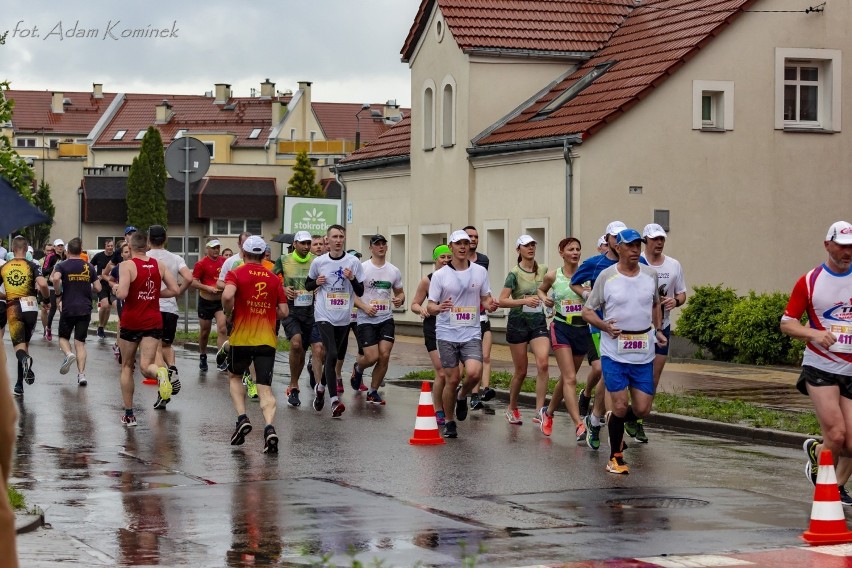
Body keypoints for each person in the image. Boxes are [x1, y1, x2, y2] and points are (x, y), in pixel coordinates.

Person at [582, 228, 666, 475]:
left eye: (638, 246)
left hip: (643, 351)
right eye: (630, 246)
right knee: (619, 406)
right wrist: (604, 325)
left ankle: (611, 422)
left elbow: (655, 304)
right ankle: (615, 457)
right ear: (617, 248)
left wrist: (658, 329)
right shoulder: (606, 277)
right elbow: (588, 311)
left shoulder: (650, 275)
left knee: (642, 409)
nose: (635, 250)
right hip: (614, 352)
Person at [781, 221, 852, 499]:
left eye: (851, 247)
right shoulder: (810, 280)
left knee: (850, 443)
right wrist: (814, 334)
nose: (847, 252)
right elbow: (787, 323)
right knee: (836, 435)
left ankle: (829, 474)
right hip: (820, 366)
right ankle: (827, 492)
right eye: (842, 246)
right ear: (827, 245)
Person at [427, 230, 500, 439]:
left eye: (466, 243)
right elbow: (430, 306)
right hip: (447, 333)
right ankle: (449, 421)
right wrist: (439, 307)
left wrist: (491, 305)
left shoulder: (479, 271)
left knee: (475, 373)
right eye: (458, 243)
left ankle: (462, 395)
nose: (462, 247)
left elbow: (485, 299)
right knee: (452, 378)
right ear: (450, 247)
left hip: (471, 332)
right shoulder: (440, 275)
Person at [222, 235, 288, 453]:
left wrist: (228, 311)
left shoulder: (236, 273)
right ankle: (269, 427)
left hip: (241, 337)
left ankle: (242, 418)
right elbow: (284, 312)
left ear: (243, 254)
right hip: (266, 339)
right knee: (264, 386)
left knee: (234, 376)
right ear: (263, 255)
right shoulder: (273, 278)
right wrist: (268, 313)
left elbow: (228, 294)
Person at [112, 231, 180, 426]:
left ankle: (129, 415)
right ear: (147, 246)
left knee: (127, 366)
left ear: (130, 247)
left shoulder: (126, 265)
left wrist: (116, 289)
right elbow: (175, 289)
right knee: (146, 366)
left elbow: (123, 293)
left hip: (132, 320)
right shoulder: (158, 265)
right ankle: (160, 372)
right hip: (153, 320)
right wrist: (156, 296)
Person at [629, 223, 687, 442]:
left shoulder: (673, 265)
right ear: (646, 241)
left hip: (663, 328)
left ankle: (639, 420)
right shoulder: (637, 263)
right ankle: (620, 412)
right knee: (632, 374)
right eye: (655, 239)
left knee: (653, 376)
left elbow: (682, 293)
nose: (659, 243)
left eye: (662, 239)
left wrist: (676, 301)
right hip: (638, 329)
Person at [573, 220, 626, 450]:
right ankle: (598, 421)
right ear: (608, 239)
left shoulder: (638, 263)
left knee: (618, 376)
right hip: (599, 327)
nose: (619, 241)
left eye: (622, 237)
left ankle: (597, 419)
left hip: (629, 331)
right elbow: (575, 283)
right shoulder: (596, 264)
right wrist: (587, 294)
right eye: (615, 237)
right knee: (605, 371)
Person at [305, 224, 365, 418]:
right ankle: (334, 401)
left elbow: (361, 291)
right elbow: (308, 285)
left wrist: (353, 278)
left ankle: (321, 387)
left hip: (343, 316)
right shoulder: (319, 262)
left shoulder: (353, 262)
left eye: (341, 237)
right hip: (323, 314)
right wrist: (316, 283)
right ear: (327, 240)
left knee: (335, 356)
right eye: (335, 237)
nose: (338, 240)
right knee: (330, 353)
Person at [537, 237, 590, 439]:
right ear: (562, 253)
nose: (575, 253)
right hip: (561, 327)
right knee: (570, 378)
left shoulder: (587, 275)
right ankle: (578, 424)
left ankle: (548, 413)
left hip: (582, 330)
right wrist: (545, 299)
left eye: (578, 249)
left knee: (567, 378)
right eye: (570, 249)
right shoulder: (554, 276)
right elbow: (541, 289)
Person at [500, 235, 550, 426]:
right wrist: (524, 301)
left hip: (538, 322)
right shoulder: (514, 273)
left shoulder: (543, 270)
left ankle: (539, 411)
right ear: (518, 250)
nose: (530, 248)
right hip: (517, 323)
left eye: (533, 245)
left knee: (543, 363)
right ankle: (511, 407)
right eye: (526, 245)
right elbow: (503, 299)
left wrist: (547, 300)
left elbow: (545, 290)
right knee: (521, 370)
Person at [351, 235, 405, 405]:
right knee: (372, 356)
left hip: (386, 318)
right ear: (370, 248)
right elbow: (351, 295)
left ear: (386, 248)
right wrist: (365, 307)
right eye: (377, 244)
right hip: (366, 319)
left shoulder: (393, 270)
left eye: (383, 244)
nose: (381, 247)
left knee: (385, 355)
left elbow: (400, 293)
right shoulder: (362, 268)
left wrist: (399, 300)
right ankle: (358, 368)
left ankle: (373, 391)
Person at [146, 225, 194, 408]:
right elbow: (189, 278)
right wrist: (177, 291)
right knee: (166, 344)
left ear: (149, 240)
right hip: (171, 309)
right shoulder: (176, 258)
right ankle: (172, 367)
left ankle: (163, 388)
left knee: (155, 349)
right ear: (165, 239)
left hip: (152, 308)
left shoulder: (146, 258)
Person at [273, 230, 320, 408]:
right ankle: (294, 386)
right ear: (295, 244)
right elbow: (274, 280)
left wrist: (317, 288)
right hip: (290, 309)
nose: (307, 246)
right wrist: (283, 289)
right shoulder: (283, 260)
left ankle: (295, 381)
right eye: (303, 243)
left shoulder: (316, 261)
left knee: (302, 350)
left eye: (309, 243)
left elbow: (322, 281)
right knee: (295, 343)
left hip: (311, 310)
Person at [1, 236, 50, 396]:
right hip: (30, 306)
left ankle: (20, 377)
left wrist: (5, 296)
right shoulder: (33, 265)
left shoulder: (5, 266)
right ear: (26, 248)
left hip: (13, 307)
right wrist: (47, 299)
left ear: (13, 249)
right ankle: (19, 384)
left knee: (19, 348)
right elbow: (43, 284)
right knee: (25, 345)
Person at [410, 244, 452, 423]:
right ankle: (438, 409)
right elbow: (414, 304)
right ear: (435, 259)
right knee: (441, 371)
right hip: (433, 327)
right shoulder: (428, 280)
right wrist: (421, 309)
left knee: (452, 372)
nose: (446, 261)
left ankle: (449, 402)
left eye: (449, 258)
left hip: (453, 327)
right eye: (442, 257)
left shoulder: (457, 278)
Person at [52, 238, 102, 386]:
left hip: (68, 307)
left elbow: (55, 279)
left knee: (63, 338)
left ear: (67, 251)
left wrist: (58, 293)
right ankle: (81, 375)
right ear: (81, 250)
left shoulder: (62, 265)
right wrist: (87, 285)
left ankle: (68, 354)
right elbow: (98, 288)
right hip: (85, 308)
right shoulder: (89, 267)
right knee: (80, 343)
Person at [463, 225, 496, 409]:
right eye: (470, 236)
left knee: (485, 356)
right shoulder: (455, 263)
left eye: (476, 236)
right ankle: (460, 390)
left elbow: (484, 288)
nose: (473, 239)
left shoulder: (483, 261)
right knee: (465, 362)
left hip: (482, 316)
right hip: (462, 319)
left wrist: (489, 302)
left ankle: (481, 391)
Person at [192, 239, 227, 372]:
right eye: (213, 248)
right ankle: (202, 355)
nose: (216, 250)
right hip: (205, 301)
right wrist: (207, 288)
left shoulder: (224, 261)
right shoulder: (201, 264)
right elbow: (193, 282)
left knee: (222, 329)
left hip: (220, 302)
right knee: (205, 332)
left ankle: (221, 359)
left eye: (218, 247)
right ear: (207, 248)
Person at [42, 238, 66, 340]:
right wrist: (54, 267)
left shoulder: (65, 256)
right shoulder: (50, 257)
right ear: (55, 247)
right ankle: (49, 329)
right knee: (52, 308)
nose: (60, 247)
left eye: (62, 246)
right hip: (51, 285)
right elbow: (44, 271)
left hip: (63, 285)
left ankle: (62, 330)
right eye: (58, 246)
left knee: (63, 309)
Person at [91, 240, 115, 341]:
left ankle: (102, 328)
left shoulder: (116, 257)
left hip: (112, 283)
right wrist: (95, 277)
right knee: (104, 305)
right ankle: (100, 326)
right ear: (105, 246)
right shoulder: (98, 256)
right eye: (108, 246)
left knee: (108, 308)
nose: (110, 247)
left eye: (111, 246)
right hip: (101, 284)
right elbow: (90, 266)